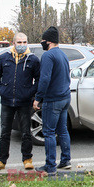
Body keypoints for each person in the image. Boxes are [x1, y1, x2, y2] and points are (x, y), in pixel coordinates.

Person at [0, 33, 40, 171]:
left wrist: (30, 93)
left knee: (26, 132)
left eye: (24, 42)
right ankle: (1, 161)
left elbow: (39, 79)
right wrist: (1, 90)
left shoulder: (33, 60)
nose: (22, 45)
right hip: (7, 101)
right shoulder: (4, 58)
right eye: (19, 42)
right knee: (5, 132)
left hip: (24, 102)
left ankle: (27, 159)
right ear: (13, 43)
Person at [33, 26, 71, 175]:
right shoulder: (63, 54)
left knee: (48, 132)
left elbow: (45, 79)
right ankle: (65, 161)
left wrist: (38, 98)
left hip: (53, 99)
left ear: (48, 41)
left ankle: (50, 166)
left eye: (43, 41)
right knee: (62, 130)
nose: (42, 43)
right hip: (65, 97)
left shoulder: (48, 56)